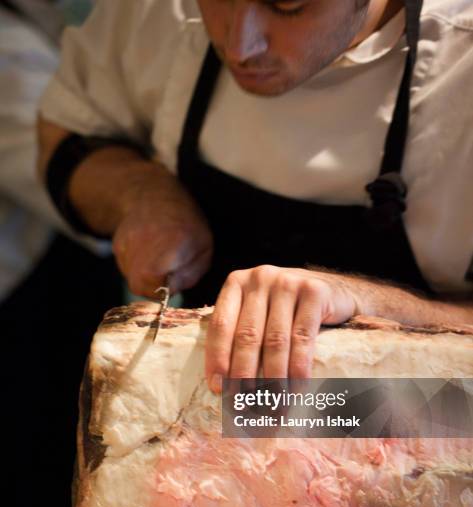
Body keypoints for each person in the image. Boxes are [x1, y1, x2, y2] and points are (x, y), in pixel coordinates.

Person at [37, 0, 472, 396]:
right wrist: (140, 193)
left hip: (431, 418)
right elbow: (68, 134)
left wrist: (373, 304)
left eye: (288, 7)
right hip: (215, 406)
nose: (239, 46)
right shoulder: (160, 9)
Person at [0, 0, 123, 507]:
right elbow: (50, 178)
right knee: (34, 495)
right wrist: (141, 199)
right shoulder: (9, 50)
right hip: (25, 297)